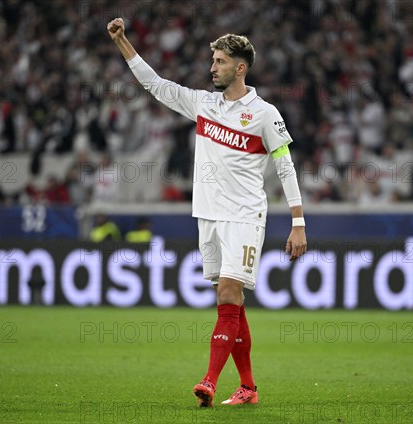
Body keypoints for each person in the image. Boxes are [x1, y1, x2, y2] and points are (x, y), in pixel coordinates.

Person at [108, 18, 307, 407]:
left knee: (230, 292)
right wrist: (123, 42)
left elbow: (285, 166)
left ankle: (209, 381)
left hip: (246, 217)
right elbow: (156, 85)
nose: (211, 68)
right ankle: (248, 387)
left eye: (219, 61)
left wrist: (298, 223)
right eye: (212, 60)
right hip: (208, 216)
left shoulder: (264, 113)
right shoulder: (204, 104)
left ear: (240, 67)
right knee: (229, 302)